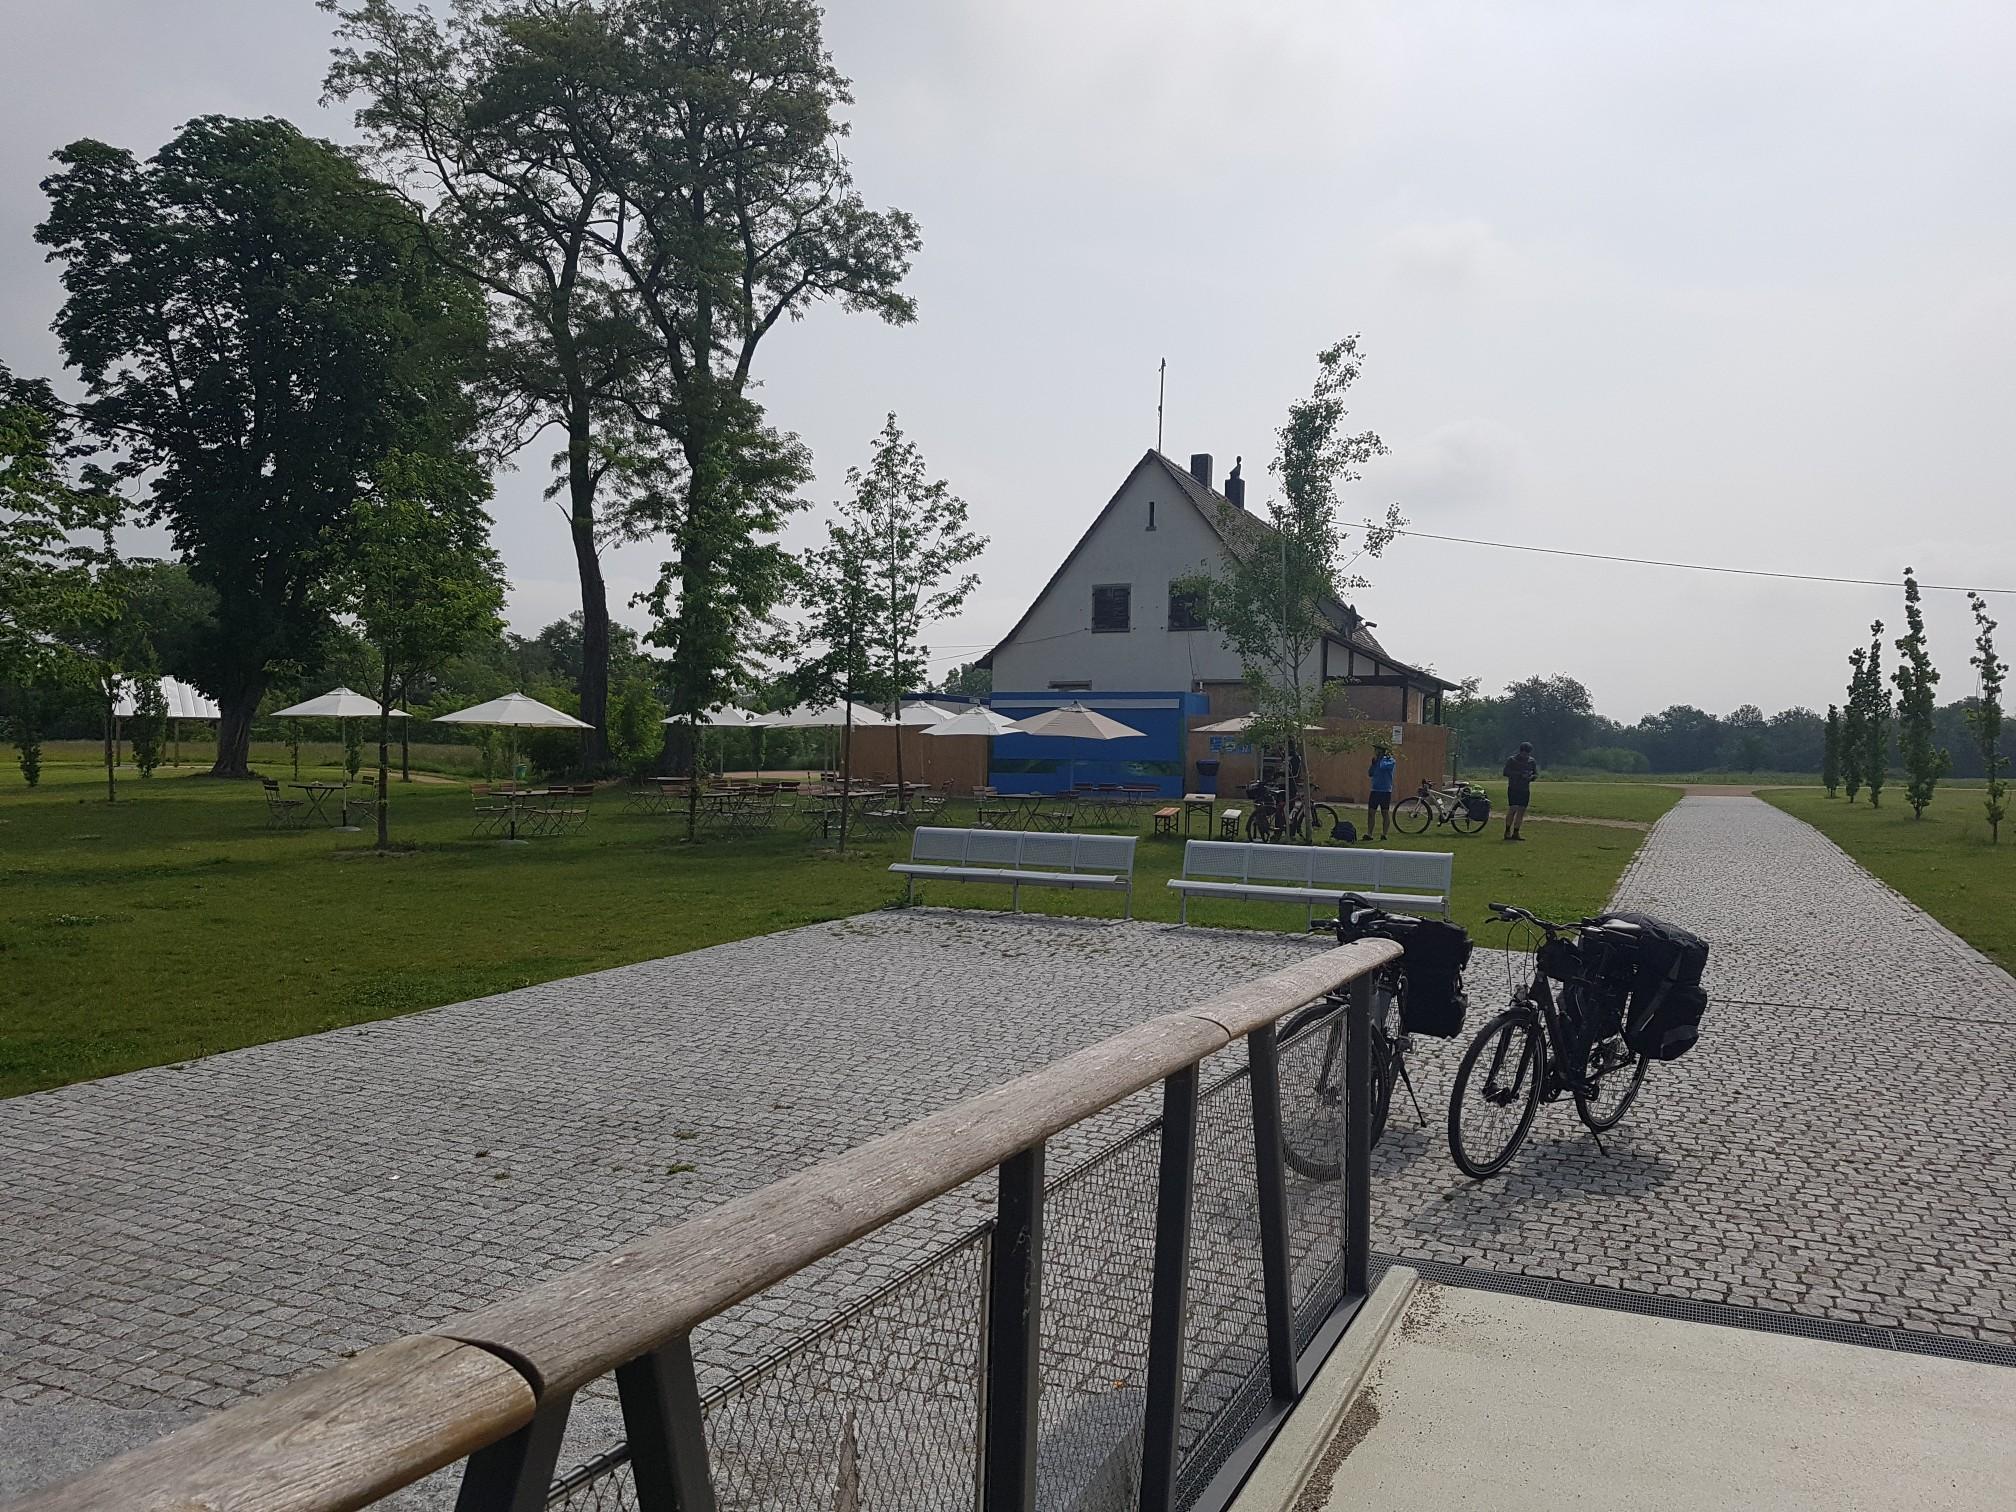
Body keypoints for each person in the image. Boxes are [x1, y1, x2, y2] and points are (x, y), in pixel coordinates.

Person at [1502, 742, 1538, 840]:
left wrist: (1530, 777)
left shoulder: (1531, 761)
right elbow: (1505, 772)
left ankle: (1516, 832)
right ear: (1521, 751)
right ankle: (1507, 830)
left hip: (1525, 789)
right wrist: (1519, 774)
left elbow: (1535, 774)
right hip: (1513, 788)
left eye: (1528, 753)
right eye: (1525, 753)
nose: (1526, 755)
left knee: (1521, 810)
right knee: (1513, 809)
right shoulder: (1512, 760)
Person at [1364, 744, 1396, 840]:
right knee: (1371, 812)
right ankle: (1369, 834)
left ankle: (1384, 834)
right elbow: (1370, 773)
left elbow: (1382, 767)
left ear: (1382, 751)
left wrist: (1380, 758)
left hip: (1385, 791)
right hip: (1375, 790)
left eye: (1376, 750)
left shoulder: (1390, 761)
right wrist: (1373, 764)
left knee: (1385, 812)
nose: (1375, 752)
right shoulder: (1376, 761)